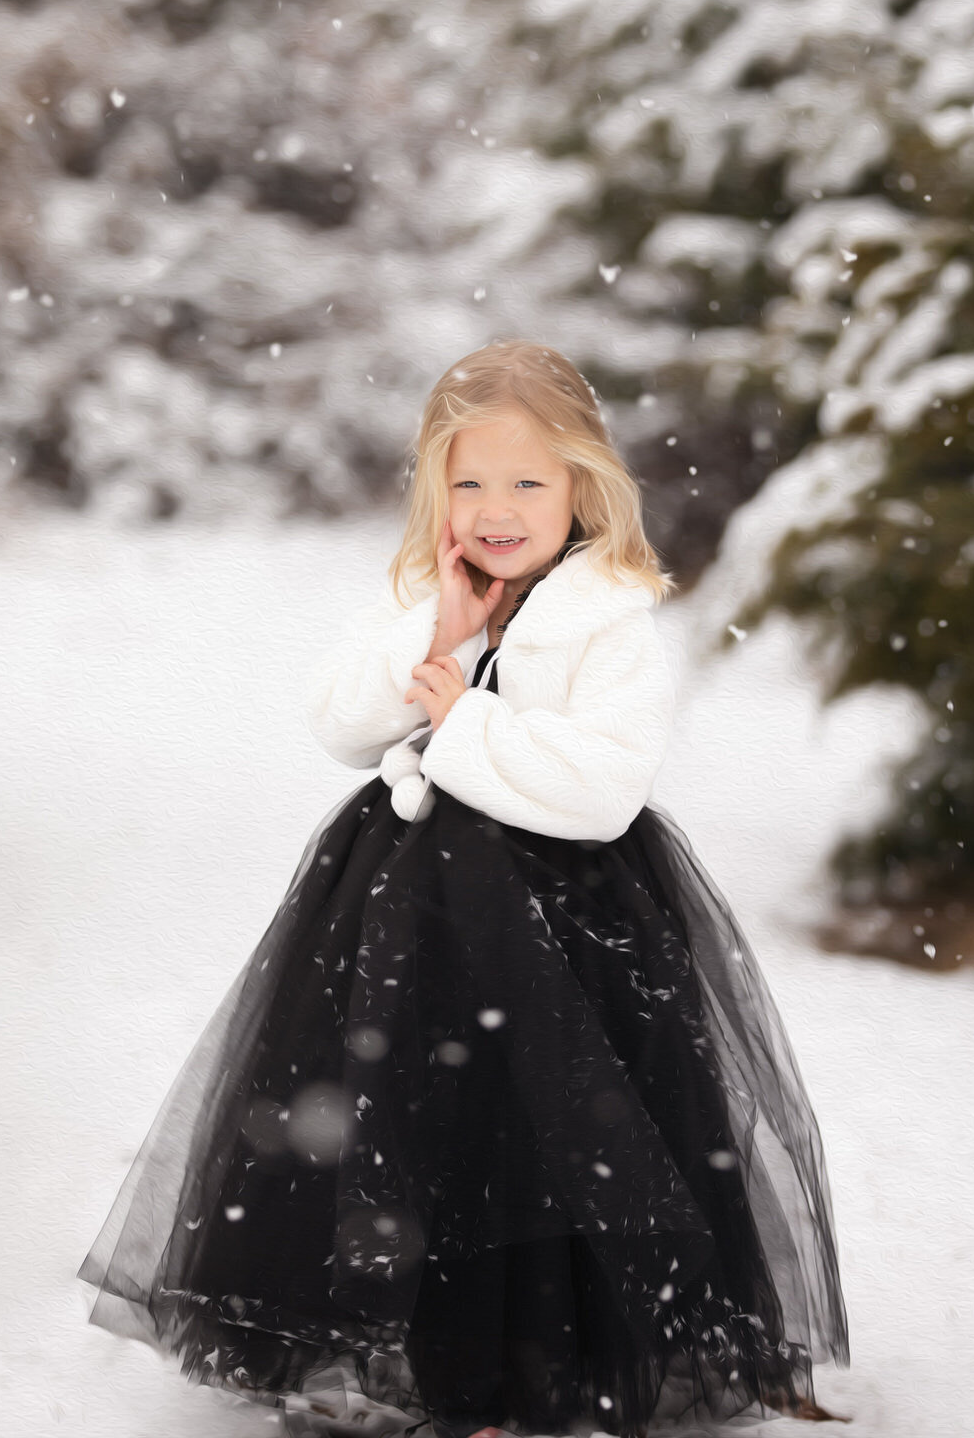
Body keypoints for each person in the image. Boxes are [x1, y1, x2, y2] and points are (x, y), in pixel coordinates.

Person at [77, 339, 851, 1438]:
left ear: (584, 485)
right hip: (405, 919)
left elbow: (602, 789)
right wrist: (436, 634)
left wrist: (466, 722)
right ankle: (394, 1348)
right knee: (398, 1124)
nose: (498, 507)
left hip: (561, 925)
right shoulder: (426, 594)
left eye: (529, 482)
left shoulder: (611, 622)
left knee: (541, 1137)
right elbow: (343, 725)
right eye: (470, 481)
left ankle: (532, 1361)